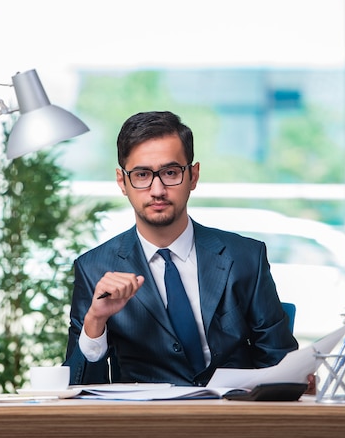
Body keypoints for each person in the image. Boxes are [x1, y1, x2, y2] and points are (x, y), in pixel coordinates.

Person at [65, 111, 298, 387]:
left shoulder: (246, 257)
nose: (157, 189)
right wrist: (96, 320)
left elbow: (281, 366)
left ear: (194, 175)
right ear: (122, 182)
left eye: (170, 173)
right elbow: (79, 388)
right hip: (147, 424)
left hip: (233, 420)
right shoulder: (94, 269)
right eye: (141, 175)